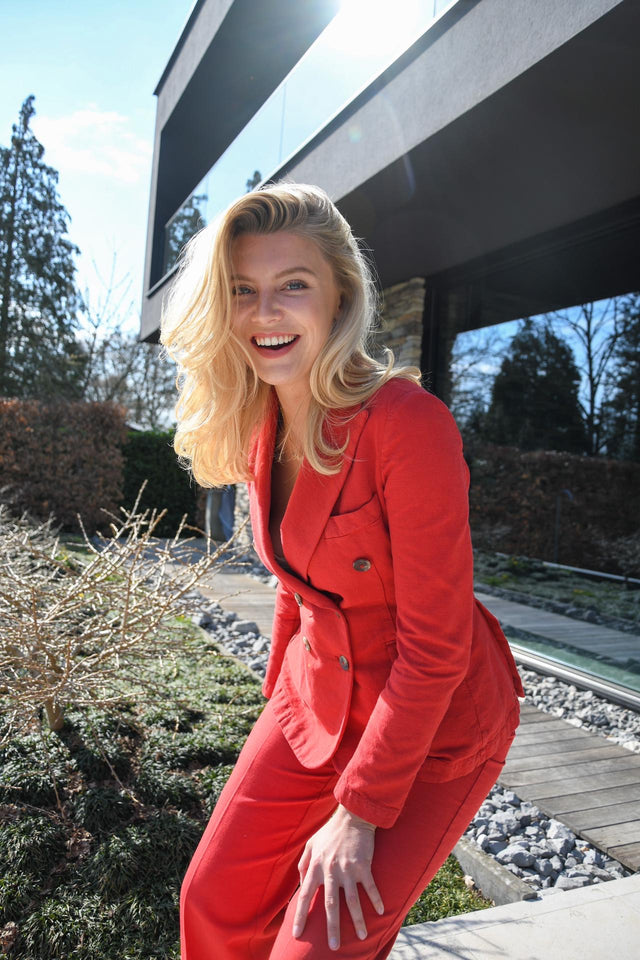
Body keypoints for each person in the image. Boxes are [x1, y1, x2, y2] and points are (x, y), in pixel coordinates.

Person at [161, 182, 524, 960]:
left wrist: (357, 812)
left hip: (436, 726)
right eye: (243, 290)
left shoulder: (407, 425)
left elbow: (437, 649)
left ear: (340, 298)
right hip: (318, 694)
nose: (265, 312)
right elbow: (298, 587)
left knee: (318, 945)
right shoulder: (262, 425)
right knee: (212, 901)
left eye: (293, 284)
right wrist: (276, 708)